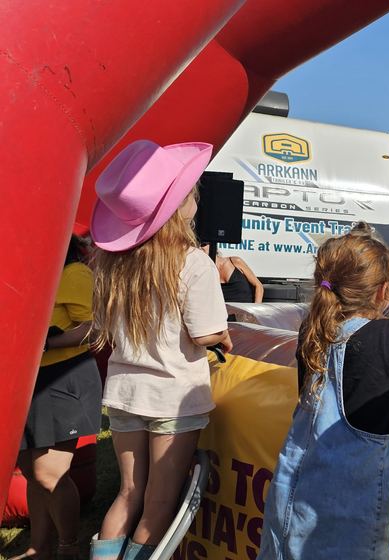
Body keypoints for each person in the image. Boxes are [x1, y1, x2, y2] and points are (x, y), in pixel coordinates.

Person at [259, 223, 389, 559]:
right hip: (348, 515)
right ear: (383, 292)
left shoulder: (314, 328)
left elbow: (364, 373)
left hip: (294, 497)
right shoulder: (385, 338)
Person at [89, 140, 233, 560]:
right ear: (178, 206)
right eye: (189, 191)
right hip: (173, 399)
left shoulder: (112, 265)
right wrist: (222, 337)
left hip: (124, 393)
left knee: (128, 493)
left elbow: (104, 328)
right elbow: (206, 334)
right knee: (158, 503)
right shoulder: (193, 263)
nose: (196, 196)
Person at [14, 235, 103, 560]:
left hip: (65, 378)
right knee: (32, 472)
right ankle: (40, 548)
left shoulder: (75, 274)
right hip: (29, 381)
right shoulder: (28, 275)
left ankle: (69, 547)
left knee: (50, 473)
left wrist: (46, 343)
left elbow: (94, 330)